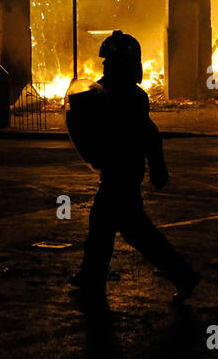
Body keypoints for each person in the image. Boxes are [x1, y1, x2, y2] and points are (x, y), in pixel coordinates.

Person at [66, 30, 200, 304]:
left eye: (108, 62)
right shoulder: (119, 94)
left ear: (120, 63)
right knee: (119, 229)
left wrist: (158, 165)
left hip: (121, 173)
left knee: (123, 230)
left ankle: (182, 275)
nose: (103, 67)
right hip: (121, 172)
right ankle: (92, 278)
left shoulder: (128, 97)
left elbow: (148, 134)